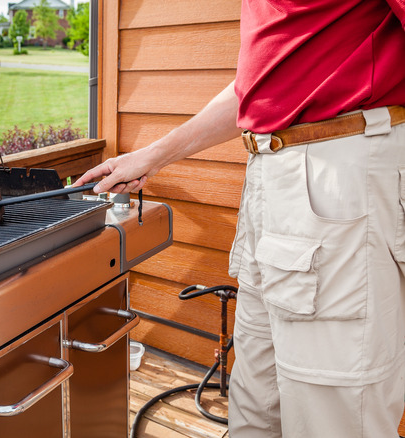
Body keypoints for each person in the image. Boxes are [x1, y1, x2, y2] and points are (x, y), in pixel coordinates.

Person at [73, 0, 405, 436]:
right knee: (255, 399)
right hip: (270, 173)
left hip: (336, 173)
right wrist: (150, 156)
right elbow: (256, 92)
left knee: (332, 413)